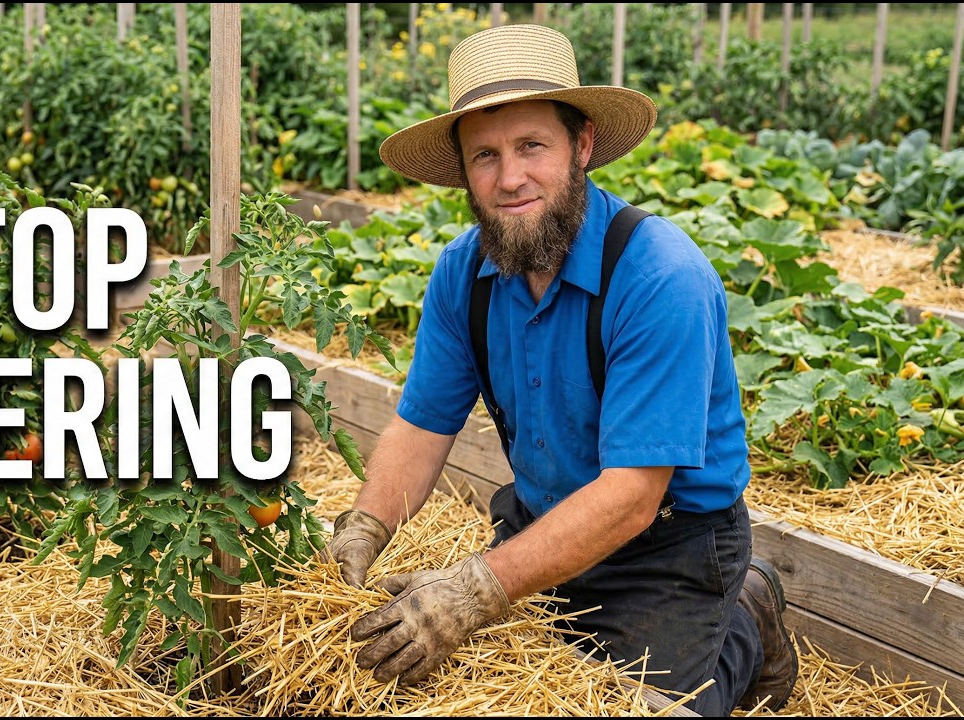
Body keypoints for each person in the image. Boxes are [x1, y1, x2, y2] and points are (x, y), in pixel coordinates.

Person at [321, 24, 798, 716]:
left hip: (670, 544)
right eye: (485, 155)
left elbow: (633, 495)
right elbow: (421, 426)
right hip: (546, 522)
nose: (509, 178)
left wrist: (474, 590)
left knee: (623, 706)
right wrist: (365, 525)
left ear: (582, 145)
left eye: (531, 147)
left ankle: (747, 619)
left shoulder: (659, 276)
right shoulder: (465, 273)